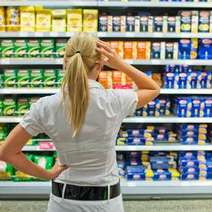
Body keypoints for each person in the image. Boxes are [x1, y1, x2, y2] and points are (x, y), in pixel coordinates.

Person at [0, 32, 160, 212]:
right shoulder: (114, 101)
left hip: (62, 202)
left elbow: (7, 152)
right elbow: (152, 88)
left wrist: (46, 174)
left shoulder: (45, 106)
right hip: (105, 204)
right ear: (99, 66)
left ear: (65, 62)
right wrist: (118, 63)